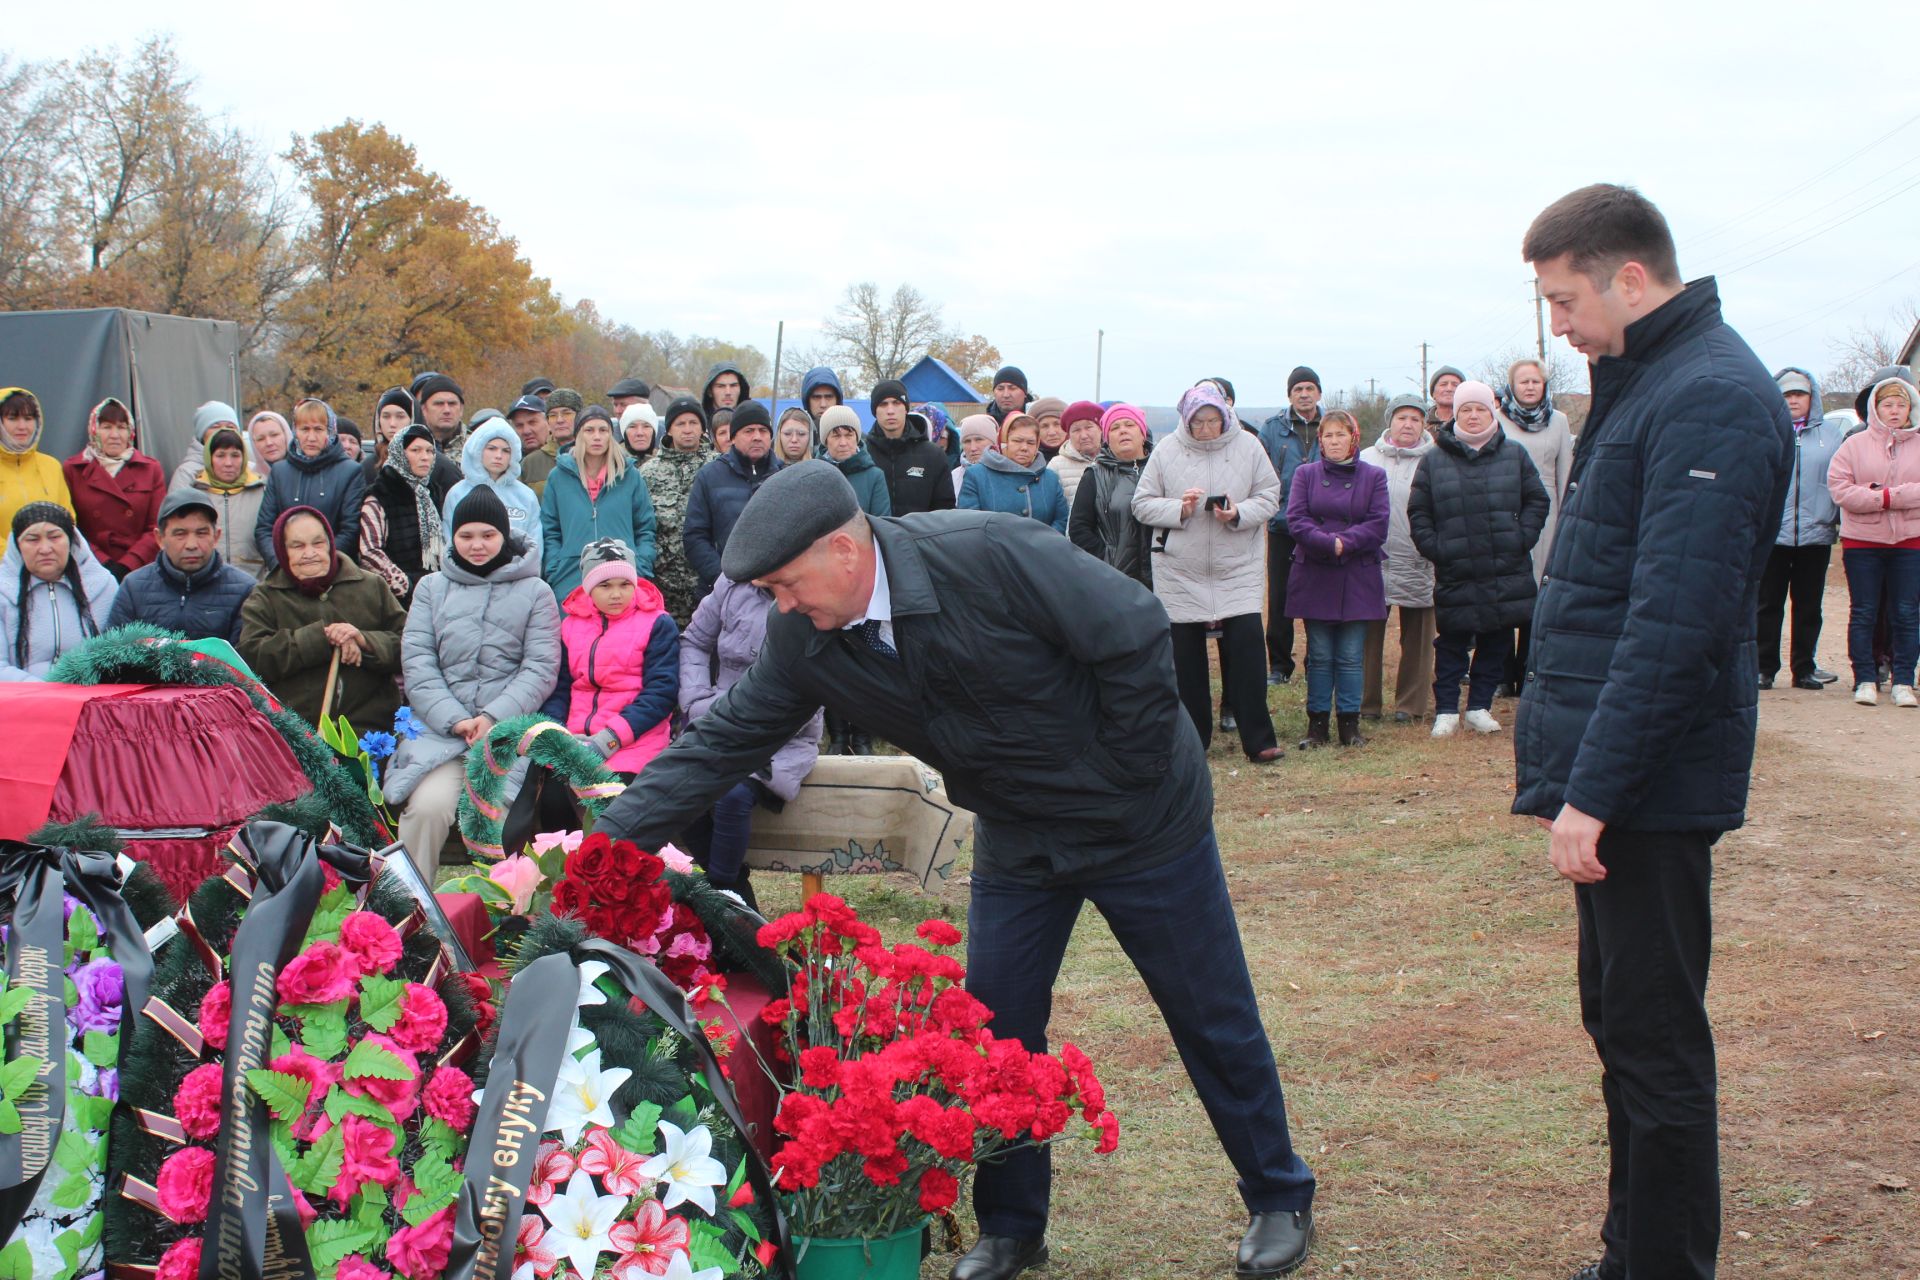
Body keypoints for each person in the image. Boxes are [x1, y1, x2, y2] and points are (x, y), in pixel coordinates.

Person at [593, 461, 1318, 1280]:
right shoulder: (803, 637)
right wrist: (603, 850)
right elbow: (722, 741)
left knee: (1208, 1011)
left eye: (788, 585)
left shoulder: (992, 551)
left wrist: (1127, 768)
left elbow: (1136, 630)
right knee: (994, 1032)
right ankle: (1011, 1227)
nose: (781, 606)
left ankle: (1278, 1193)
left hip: (1140, 821)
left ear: (843, 548)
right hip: (1018, 837)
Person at [1512, 184, 1793, 1280]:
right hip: (1627, 775)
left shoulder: (1711, 396)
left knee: (1656, 1041)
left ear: (1631, 276)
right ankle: (1633, 1251)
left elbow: (1676, 625)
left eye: (1564, 298)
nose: (1557, 325)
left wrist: (1596, 790)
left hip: (1650, 787)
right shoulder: (1649, 381)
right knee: (1621, 1027)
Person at [383, 488, 561, 877]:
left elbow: (540, 667)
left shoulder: (536, 592)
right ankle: (413, 909)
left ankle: (502, 921)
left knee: (496, 819)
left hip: (506, 734)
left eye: (487, 535)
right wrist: (456, 719)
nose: (477, 545)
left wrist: (493, 717)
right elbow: (418, 663)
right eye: (466, 536)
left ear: (503, 536)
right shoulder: (430, 589)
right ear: (452, 537)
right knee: (427, 808)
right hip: (441, 732)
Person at [1134, 384, 1285, 763]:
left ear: (1225, 416)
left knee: (1247, 650)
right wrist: (1179, 509)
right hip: (1180, 569)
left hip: (1237, 565)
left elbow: (1270, 495)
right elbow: (1142, 503)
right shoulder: (1168, 449)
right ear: (1186, 420)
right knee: (1185, 661)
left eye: (1212, 420)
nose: (1205, 428)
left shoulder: (1249, 446)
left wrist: (1238, 513)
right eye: (1198, 422)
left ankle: (1259, 738)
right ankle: (1192, 740)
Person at [676, 570, 824, 909]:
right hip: (717, 720)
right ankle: (733, 900)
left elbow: (818, 674)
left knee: (731, 794)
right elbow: (695, 642)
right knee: (681, 790)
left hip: (785, 730)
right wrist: (697, 700)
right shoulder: (730, 584)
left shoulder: (808, 586)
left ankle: (721, 897)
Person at [1407, 380, 1548, 737]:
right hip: (1457, 568)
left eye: (1480, 409)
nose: (1473, 416)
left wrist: (1520, 539)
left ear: (1492, 412)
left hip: (1505, 567)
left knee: (1496, 640)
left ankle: (1479, 706)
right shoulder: (1434, 459)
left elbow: (1537, 500)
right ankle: (1446, 711)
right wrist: (1438, 548)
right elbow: (1419, 512)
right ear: (1455, 414)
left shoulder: (1514, 454)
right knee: (1452, 640)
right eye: (1465, 409)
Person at [237, 506, 407, 730]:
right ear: (282, 550)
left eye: (318, 543)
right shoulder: (265, 597)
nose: (310, 553)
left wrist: (364, 641)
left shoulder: (370, 585)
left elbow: (410, 645)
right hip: (297, 734)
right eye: (297, 546)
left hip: (372, 731)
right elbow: (252, 658)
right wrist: (319, 638)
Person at [1284, 410, 1389, 749]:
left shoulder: (1374, 476)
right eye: (1327, 436)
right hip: (1316, 571)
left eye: (1340, 435)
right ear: (1320, 441)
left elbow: (1378, 523)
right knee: (1320, 653)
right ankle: (1317, 726)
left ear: (1353, 438)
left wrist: (1348, 542)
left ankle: (1349, 724)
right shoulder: (1306, 474)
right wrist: (1329, 543)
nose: (1333, 442)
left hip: (1358, 574)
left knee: (1349, 654)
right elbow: (1296, 519)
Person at [541, 537, 679, 779]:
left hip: (634, 739)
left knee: (612, 800)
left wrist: (610, 739)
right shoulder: (570, 626)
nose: (616, 594)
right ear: (588, 588)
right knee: (552, 802)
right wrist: (558, 734)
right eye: (605, 586)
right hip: (574, 737)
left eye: (625, 584)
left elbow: (661, 693)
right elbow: (559, 688)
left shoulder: (658, 623)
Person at [1827, 371, 1920, 707]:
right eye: (1887, 404)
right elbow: (1841, 490)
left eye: (1901, 404)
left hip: (1910, 541)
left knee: (1907, 612)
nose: (1894, 410)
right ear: (1875, 408)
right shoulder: (1854, 445)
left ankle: (1904, 681)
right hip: (1862, 543)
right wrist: (1884, 499)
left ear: (1911, 408)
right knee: (1864, 611)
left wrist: (1888, 494)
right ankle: (1865, 678)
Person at [1758, 367, 1847, 691]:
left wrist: (1833, 519)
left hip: (1816, 533)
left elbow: (1841, 479)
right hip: (1774, 533)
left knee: (1809, 604)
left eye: (1799, 394)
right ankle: (1763, 667)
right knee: (1767, 603)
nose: (1793, 400)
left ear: (1812, 398)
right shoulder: (1765, 429)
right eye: (1787, 394)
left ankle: (1804, 668)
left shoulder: (1832, 436)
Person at [1497, 357, 1576, 695]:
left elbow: (1565, 473)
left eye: (1535, 382)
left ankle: (1530, 668)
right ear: (1512, 386)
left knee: (1538, 593)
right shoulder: (1497, 419)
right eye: (1523, 382)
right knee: (1503, 593)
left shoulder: (1558, 421)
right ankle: (1501, 673)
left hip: (1547, 515)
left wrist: (1567, 518)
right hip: (1505, 511)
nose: (1530, 387)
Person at [1358, 395, 1437, 722]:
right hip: (1371, 558)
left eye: (1415, 419)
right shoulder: (1366, 458)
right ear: (1390, 421)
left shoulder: (1436, 459)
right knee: (1366, 635)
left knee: (1419, 637)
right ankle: (1366, 703)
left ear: (1424, 425)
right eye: (1402, 417)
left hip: (1419, 557)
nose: (1408, 424)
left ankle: (1410, 705)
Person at [539, 405, 659, 599]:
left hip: (621, 580)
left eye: (603, 430)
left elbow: (645, 528)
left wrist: (640, 567)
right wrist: (555, 568)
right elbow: (550, 529)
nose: (597, 436)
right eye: (589, 430)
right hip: (570, 578)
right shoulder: (558, 477)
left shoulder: (629, 476)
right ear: (578, 435)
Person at [105, 492, 256, 642]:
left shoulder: (244, 590)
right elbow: (111, 652)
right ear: (160, 538)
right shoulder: (134, 586)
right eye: (180, 534)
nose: (191, 545)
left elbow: (243, 659)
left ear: (216, 536)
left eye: (201, 533)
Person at [1258, 367, 1324, 684]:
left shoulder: (1333, 425)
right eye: (1297, 389)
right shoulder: (1272, 430)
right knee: (1280, 598)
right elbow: (1260, 474)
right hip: (1282, 525)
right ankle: (1279, 666)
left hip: (1322, 527)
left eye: (1309, 388)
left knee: (1318, 596)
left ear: (1319, 393)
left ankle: (1318, 662)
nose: (1304, 394)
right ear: (1289, 395)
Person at [1, 502, 116, 681]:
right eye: (32, 539)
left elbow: (119, 655)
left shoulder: (103, 585)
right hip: (21, 702)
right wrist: (48, 695)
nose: (45, 549)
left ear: (72, 541)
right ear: (17, 547)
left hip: (90, 699)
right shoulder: (3, 592)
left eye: (55, 537)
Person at [254, 399, 366, 572]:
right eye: (304, 429)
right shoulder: (280, 471)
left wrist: (318, 565)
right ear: (295, 431)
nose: (311, 437)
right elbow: (264, 529)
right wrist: (280, 565)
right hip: (286, 571)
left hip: (333, 572)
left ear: (330, 432)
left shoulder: (350, 471)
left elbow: (350, 530)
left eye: (319, 429)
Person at [63, 397, 166, 581]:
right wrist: (102, 563)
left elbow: (157, 526)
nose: (115, 435)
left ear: (130, 432)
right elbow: (71, 527)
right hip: (91, 568)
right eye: (107, 427)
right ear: (94, 429)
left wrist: (127, 564)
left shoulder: (150, 469)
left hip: (141, 568)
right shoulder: (73, 469)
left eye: (121, 427)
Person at [684, 401, 781, 598]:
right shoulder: (710, 476)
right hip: (721, 592)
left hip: (776, 593)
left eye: (763, 430)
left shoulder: (786, 475)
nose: (757, 437)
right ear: (733, 437)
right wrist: (723, 579)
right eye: (749, 430)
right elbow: (694, 536)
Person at [640, 397, 717, 630]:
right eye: (680, 424)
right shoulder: (648, 473)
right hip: (663, 588)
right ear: (669, 429)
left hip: (707, 585)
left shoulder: (718, 467)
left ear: (702, 428)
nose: (687, 430)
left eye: (693, 423)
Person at [357, 424, 451, 607]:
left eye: (430, 451)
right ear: (399, 452)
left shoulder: (432, 492)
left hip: (437, 594)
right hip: (395, 599)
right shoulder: (380, 494)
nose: (425, 457)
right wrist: (406, 585)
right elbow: (369, 551)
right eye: (415, 450)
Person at [1067, 402, 1153, 589]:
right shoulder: (1094, 475)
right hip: (1113, 579)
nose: (1123, 431)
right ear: (1106, 438)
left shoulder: (1160, 469)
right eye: (1115, 427)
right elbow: (1078, 528)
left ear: (1143, 433)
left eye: (1129, 425)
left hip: (1162, 578)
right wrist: (1105, 558)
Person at [179, 425, 269, 579]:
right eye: (220, 455)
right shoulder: (194, 493)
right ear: (209, 458)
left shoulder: (262, 490)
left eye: (235, 455)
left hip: (254, 583)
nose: (229, 463)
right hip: (205, 582)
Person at [443, 417, 542, 552]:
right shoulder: (458, 493)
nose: (498, 455)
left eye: (506, 450)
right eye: (492, 448)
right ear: (477, 450)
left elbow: (535, 544)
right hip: (468, 570)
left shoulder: (525, 495)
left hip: (517, 571)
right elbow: (449, 540)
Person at [959, 412, 1069, 531]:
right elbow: (969, 523)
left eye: (1031, 442)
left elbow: (1062, 520)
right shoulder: (977, 476)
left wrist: (1043, 543)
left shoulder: (1050, 478)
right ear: (1003, 442)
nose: (1024, 448)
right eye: (1017, 441)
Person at [864, 379, 955, 517]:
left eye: (896, 403)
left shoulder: (933, 455)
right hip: (873, 537)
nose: (890, 411)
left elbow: (945, 510)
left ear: (906, 408)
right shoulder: (862, 454)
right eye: (883, 404)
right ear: (874, 411)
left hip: (920, 536)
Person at [0, 388, 72, 538]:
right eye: (12, 418)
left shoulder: (52, 466)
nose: (22, 426)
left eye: (28, 418)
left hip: (49, 558)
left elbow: (67, 519)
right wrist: (17, 555)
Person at [819, 406, 891, 516]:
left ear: (857, 438)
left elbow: (882, 524)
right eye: (836, 436)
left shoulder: (874, 476)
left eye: (849, 435)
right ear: (826, 440)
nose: (843, 442)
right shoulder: (813, 475)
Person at [171, 401, 243, 491]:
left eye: (230, 427)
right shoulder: (187, 473)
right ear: (202, 433)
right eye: (215, 427)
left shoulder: (251, 471)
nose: (223, 431)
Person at [1048, 401, 1103, 504]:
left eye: (1089, 427)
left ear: (1101, 429)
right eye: (1076, 430)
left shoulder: (1114, 459)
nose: (1083, 435)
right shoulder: (1056, 465)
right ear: (1069, 435)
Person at [415, 373, 467, 458]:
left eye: (452, 404)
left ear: (461, 409)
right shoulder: (409, 445)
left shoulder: (476, 446)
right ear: (423, 409)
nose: (447, 410)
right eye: (439, 404)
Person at [513, 393, 556, 494]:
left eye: (532, 422)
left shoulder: (566, 456)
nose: (526, 431)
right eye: (519, 425)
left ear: (548, 423)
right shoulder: (508, 464)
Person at [952, 414, 996, 496]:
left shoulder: (1005, 474)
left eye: (979, 439)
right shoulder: (954, 476)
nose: (973, 448)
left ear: (993, 442)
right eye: (967, 441)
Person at [1028, 396, 1069, 462]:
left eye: (1057, 424)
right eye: (1044, 426)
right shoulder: (1026, 461)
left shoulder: (1084, 456)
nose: (1052, 433)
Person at [544, 388, 582, 458]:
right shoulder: (531, 462)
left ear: (580, 417)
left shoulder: (594, 455)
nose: (559, 420)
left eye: (567, 414)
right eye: (553, 415)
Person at [1426, 366, 1465, 431]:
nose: (1449, 389)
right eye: (1443, 384)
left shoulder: (1470, 422)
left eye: (1455, 385)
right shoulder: (1421, 424)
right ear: (1433, 393)